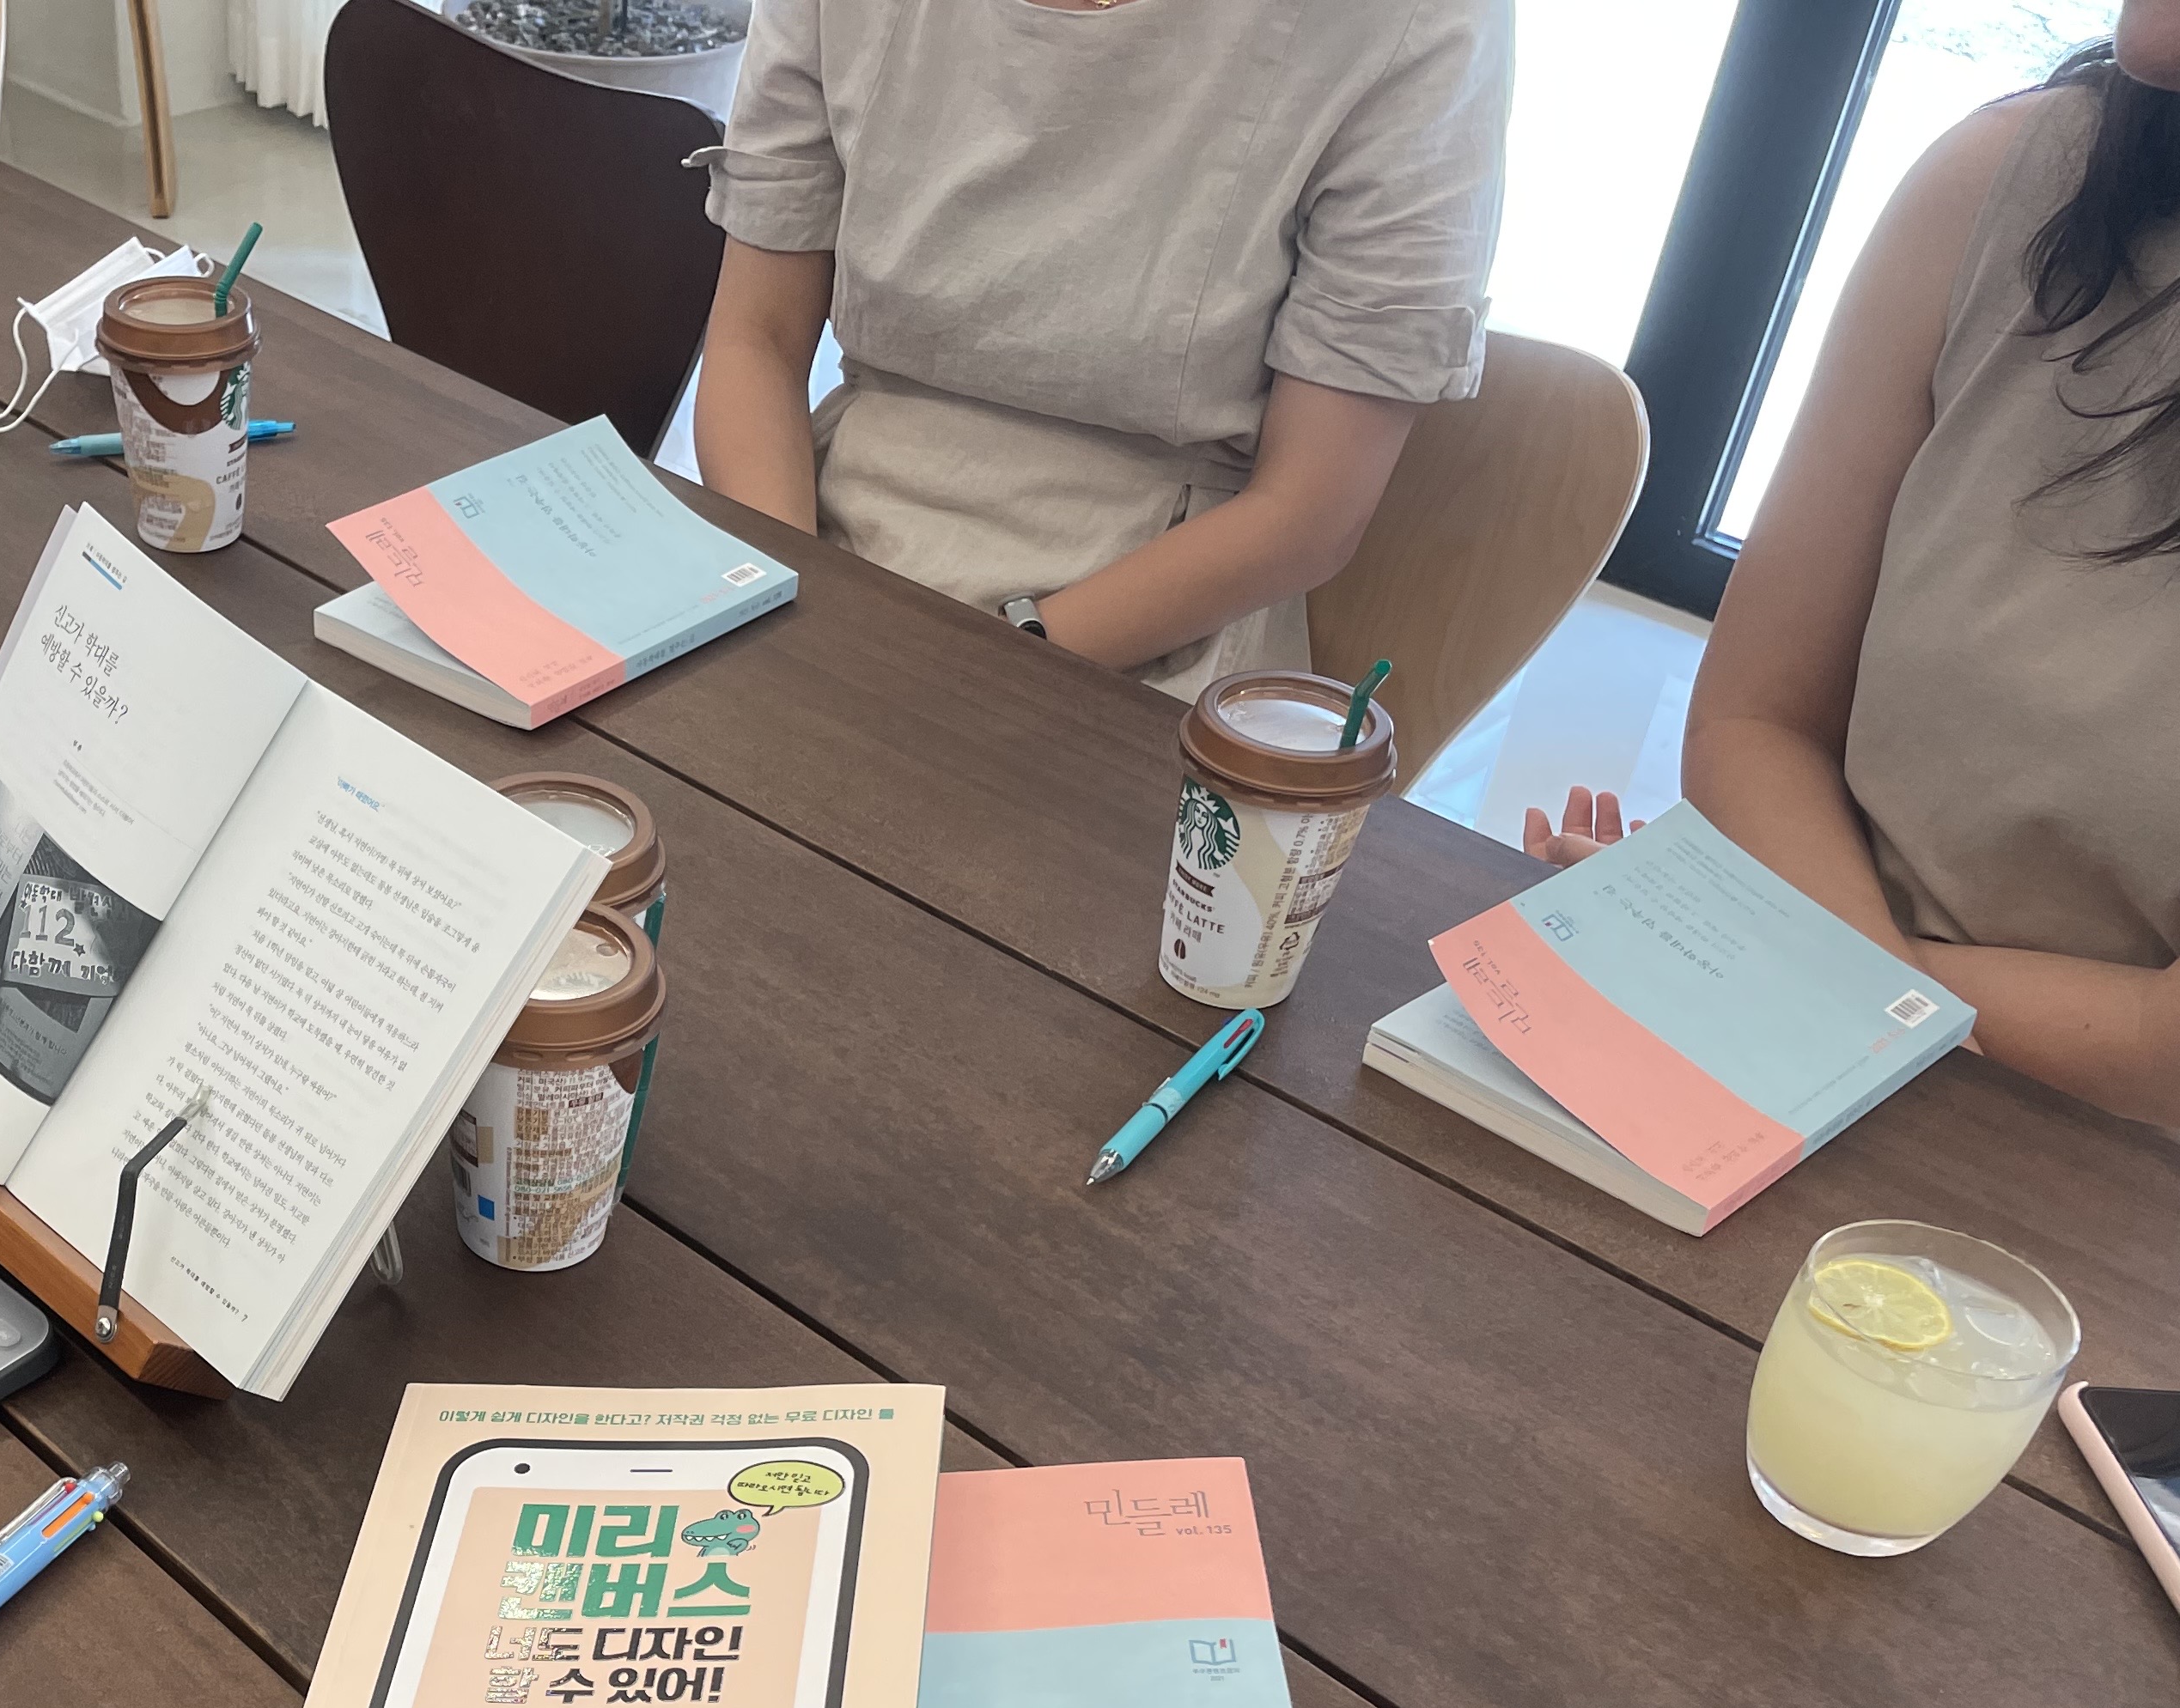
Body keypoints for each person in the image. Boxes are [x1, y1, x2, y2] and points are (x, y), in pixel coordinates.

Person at [1525, 17, 2180, 1132]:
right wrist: (1800, 981)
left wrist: (1772, 962)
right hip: (1810, 1028)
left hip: (2096, 1165)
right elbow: (1758, 721)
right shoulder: (2011, 177)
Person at [690, 0, 1513, 696]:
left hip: (1152, 632)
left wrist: (988, 667)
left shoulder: (1410, 24)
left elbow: (1310, 510)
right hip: (821, 541)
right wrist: (790, 609)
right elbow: (757, 340)